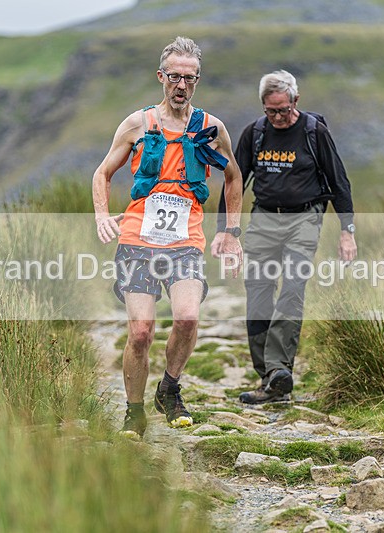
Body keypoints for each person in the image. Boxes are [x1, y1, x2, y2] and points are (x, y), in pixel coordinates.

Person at [92, 36, 244, 439]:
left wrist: (231, 232)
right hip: (138, 240)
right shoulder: (137, 124)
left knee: (188, 317)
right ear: (161, 77)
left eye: (189, 78)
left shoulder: (212, 128)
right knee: (140, 332)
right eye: (174, 77)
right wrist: (102, 215)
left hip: (185, 240)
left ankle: (170, 388)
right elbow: (103, 173)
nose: (181, 85)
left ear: (197, 81)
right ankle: (133, 412)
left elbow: (233, 176)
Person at [212, 70, 357, 404]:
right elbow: (235, 181)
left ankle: (279, 368)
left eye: (283, 110)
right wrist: (225, 230)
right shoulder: (256, 133)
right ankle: (271, 379)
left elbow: (339, 182)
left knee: (292, 288)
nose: (277, 117)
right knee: (258, 292)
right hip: (264, 216)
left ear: (296, 100)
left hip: (304, 217)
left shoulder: (313, 131)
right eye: (270, 111)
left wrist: (347, 231)